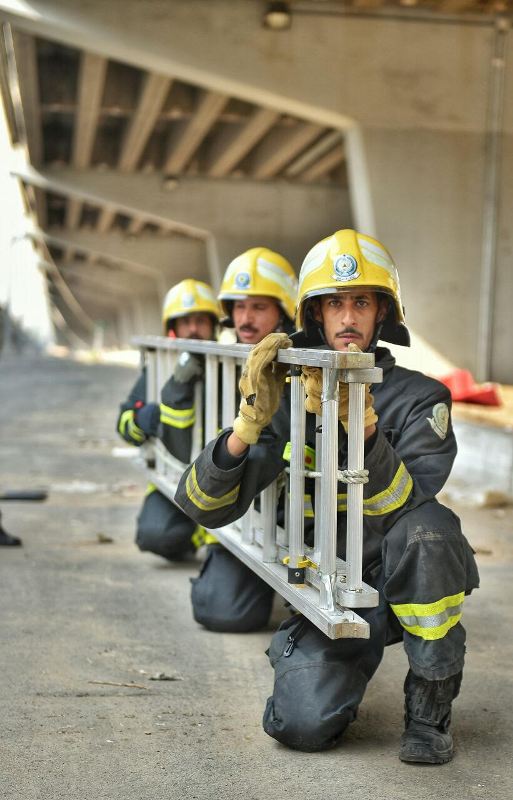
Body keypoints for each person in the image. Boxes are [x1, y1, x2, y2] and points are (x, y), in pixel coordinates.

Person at [175, 229, 479, 764]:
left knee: (432, 531)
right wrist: (248, 423)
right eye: (334, 303)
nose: (347, 317)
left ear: (383, 311)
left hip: (391, 577)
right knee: (302, 725)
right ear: (314, 314)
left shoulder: (420, 398)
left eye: (361, 301)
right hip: (324, 586)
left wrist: (361, 431)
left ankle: (430, 709)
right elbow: (200, 505)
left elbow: (407, 506)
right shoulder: (290, 391)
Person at [176, 247, 298, 632]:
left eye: (259, 307)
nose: (246, 318)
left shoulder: (307, 367)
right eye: (240, 306)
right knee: (222, 611)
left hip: (301, 518)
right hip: (243, 513)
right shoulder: (222, 362)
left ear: (283, 310)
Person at [116, 279, 221, 560]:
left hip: (221, 484)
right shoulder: (158, 369)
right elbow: (123, 423)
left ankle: (211, 535)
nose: (194, 330)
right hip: (172, 479)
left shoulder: (232, 367)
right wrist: (140, 420)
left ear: (214, 326)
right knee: (154, 534)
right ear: (173, 328)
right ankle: (196, 535)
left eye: (201, 320)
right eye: (186, 321)